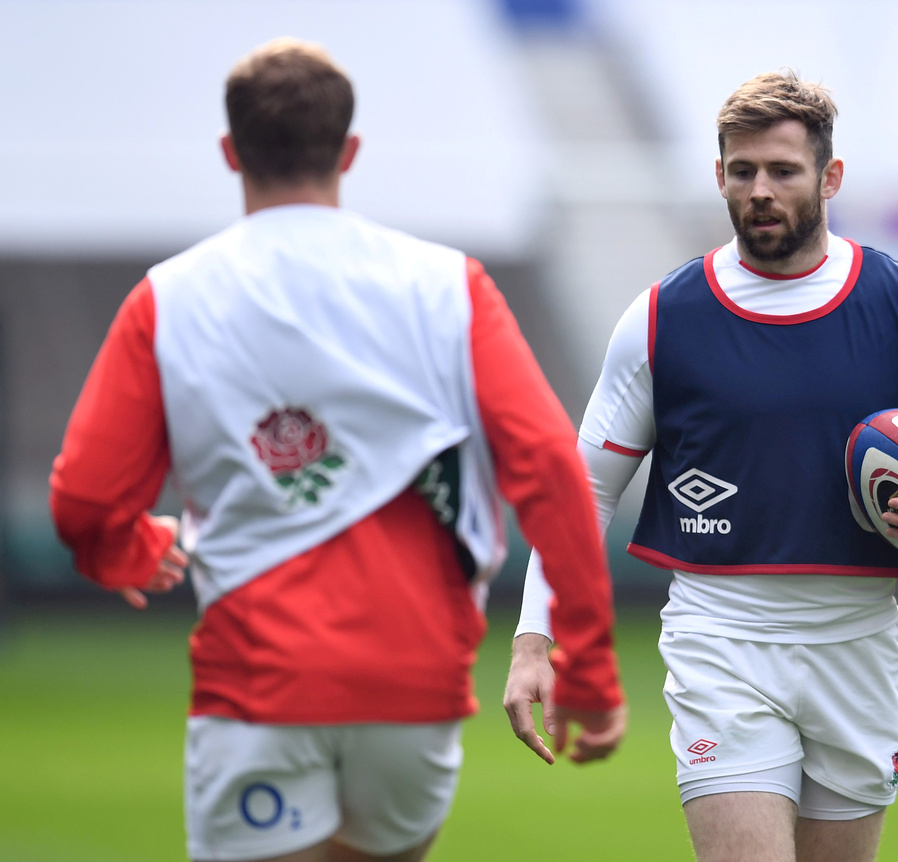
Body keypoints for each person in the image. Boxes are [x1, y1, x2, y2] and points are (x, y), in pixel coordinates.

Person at [50, 38, 625, 862]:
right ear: (348, 151)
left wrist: (127, 551)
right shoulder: (449, 285)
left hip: (258, 683)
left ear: (231, 152)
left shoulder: (167, 298)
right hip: (414, 683)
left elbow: (82, 500)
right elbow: (548, 470)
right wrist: (590, 665)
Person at [504, 70, 898, 862]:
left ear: (830, 177)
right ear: (719, 174)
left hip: (859, 648)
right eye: (743, 170)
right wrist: (533, 642)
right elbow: (582, 491)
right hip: (721, 645)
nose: (760, 190)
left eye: (783, 171)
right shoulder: (662, 317)